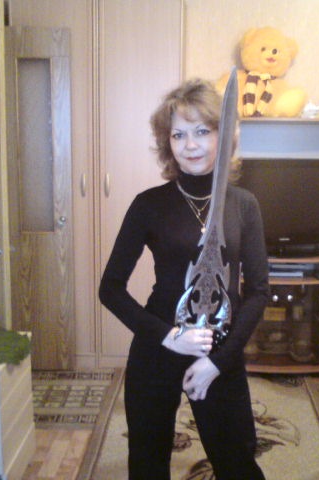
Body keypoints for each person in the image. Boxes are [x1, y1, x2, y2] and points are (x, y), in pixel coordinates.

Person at [99, 78, 268, 480]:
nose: (190, 145)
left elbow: (259, 292)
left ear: (223, 136)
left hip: (219, 350)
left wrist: (217, 362)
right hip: (158, 345)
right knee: (147, 462)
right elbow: (111, 289)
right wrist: (168, 337)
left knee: (237, 463)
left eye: (201, 131)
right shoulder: (148, 205)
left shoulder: (244, 204)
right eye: (178, 134)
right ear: (167, 142)